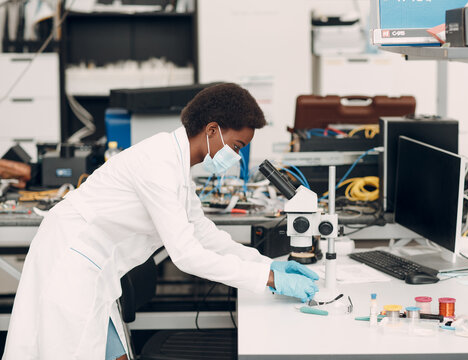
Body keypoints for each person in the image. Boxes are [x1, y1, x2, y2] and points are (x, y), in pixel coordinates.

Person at [2, 83, 319, 360]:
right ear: (211, 130)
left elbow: (205, 235)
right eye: (237, 146)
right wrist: (268, 279)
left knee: (108, 349)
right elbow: (188, 255)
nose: (237, 156)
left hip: (94, 267)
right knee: (69, 348)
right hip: (70, 262)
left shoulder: (177, 165)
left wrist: (266, 264)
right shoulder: (160, 164)